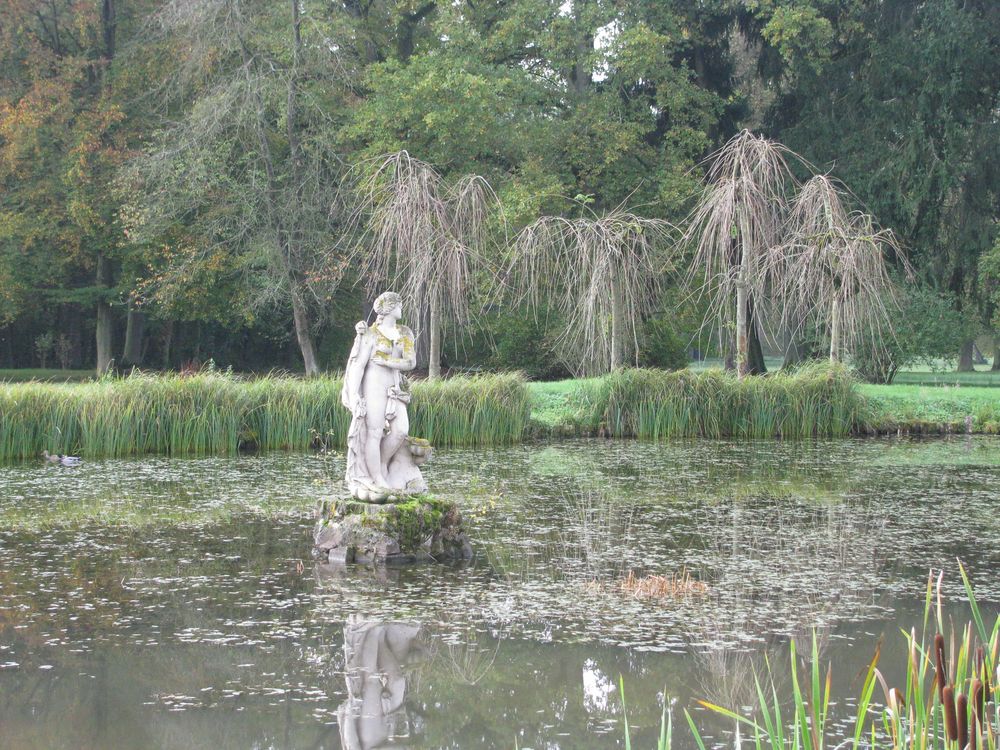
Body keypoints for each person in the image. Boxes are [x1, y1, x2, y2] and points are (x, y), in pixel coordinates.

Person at [341, 291, 424, 499]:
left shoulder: (405, 333)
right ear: (388, 308)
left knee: (400, 431)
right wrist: (355, 395)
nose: (401, 308)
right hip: (373, 387)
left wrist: (387, 361)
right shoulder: (370, 334)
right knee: (374, 432)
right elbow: (358, 366)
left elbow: (411, 362)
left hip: (395, 389)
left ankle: (381, 464)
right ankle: (377, 478)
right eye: (398, 304)